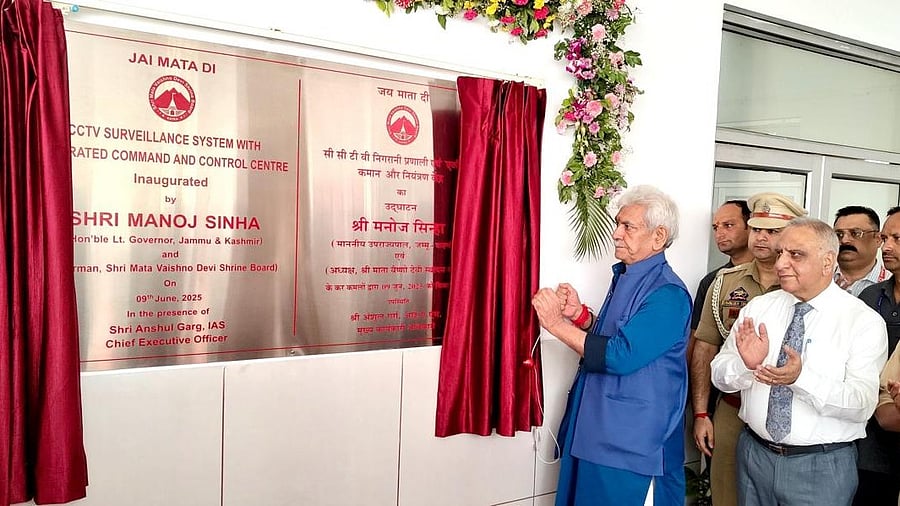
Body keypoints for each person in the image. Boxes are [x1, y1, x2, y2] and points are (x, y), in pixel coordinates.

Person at [711, 217, 888, 506]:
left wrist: (799, 379)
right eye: (780, 253)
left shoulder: (863, 321)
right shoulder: (760, 308)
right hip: (754, 455)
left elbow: (862, 404)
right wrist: (746, 365)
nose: (780, 263)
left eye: (796, 255)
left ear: (827, 261)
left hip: (821, 466)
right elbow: (718, 373)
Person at [532, 185, 690, 506]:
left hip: (631, 447)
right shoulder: (627, 275)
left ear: (658, 237)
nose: (615, 234)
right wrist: (580, 316)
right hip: (596, 432)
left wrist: (556, 324)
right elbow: (616, 336)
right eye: (617, 224)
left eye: (627, 226)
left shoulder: (668, 294)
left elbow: (619, 356)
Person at [690, 192, 805, 506]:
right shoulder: (725, 281)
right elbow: (705, 349)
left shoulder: (806, 285)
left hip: (786, 409)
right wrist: (701, 413)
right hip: (731, 404)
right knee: (725, 493)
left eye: (772, 231)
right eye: (756, 229)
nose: (762, 237)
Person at [856, 207, 900, 505]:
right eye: (885, 238)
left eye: (897, 238)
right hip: (870, 441)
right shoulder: (871, 297)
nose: (887, 246)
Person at [687, 200, 753, 365]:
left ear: (750, 227)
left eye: (728, 225)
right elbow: (698, 341)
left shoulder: (777, 276)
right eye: (716, 227)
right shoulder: (713, 281)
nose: (719, 234)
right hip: (720, 379)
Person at [834, 205, 888, 296]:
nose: (844, 240)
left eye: (855, 233)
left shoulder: (892, 284)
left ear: (878, 239)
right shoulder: (817, 278)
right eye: (839, 234)